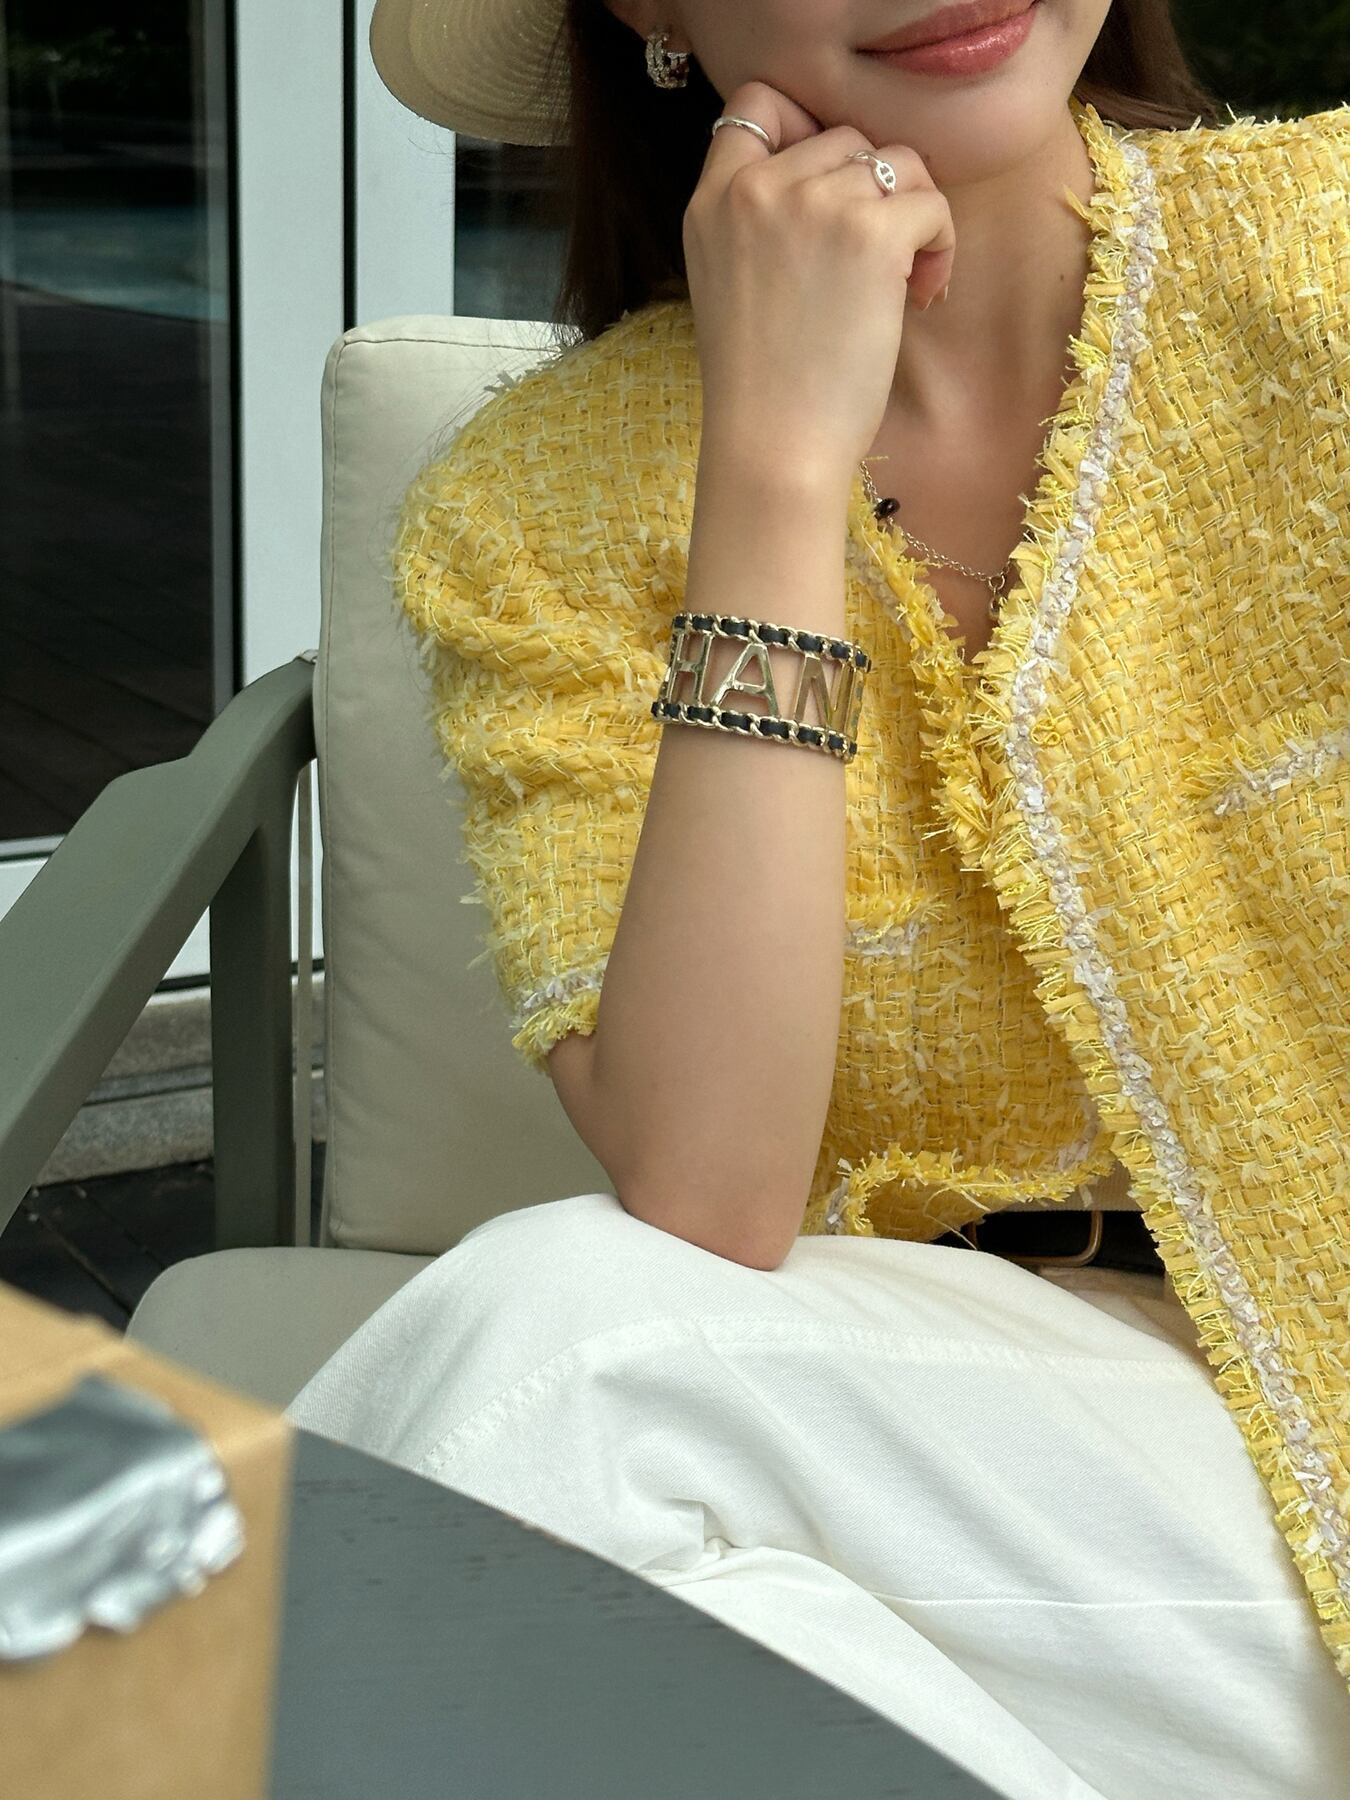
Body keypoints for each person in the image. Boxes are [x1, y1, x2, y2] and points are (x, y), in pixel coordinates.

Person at [287, 1, 1350, 1792]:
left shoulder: (1324, 267)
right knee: (566, 1379)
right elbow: (709, 1189)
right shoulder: (534, 507)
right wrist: (773, 467)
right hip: (999, 1490)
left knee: (535, 1410)